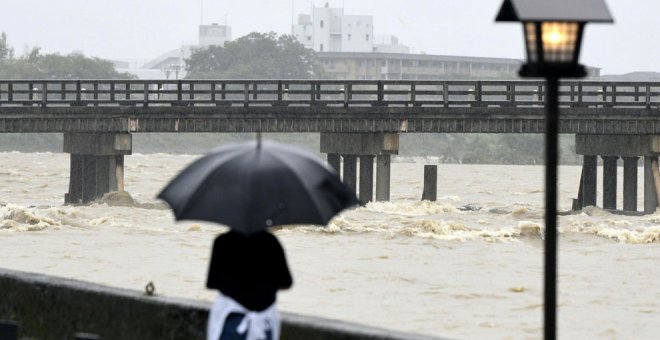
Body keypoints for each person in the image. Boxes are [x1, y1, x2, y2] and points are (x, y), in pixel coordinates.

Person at [206, 229, 293, 340]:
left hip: (230, 319)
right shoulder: (271, 242)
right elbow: (286, 282)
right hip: (264, 324)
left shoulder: (222, 241)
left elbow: (212, 283)